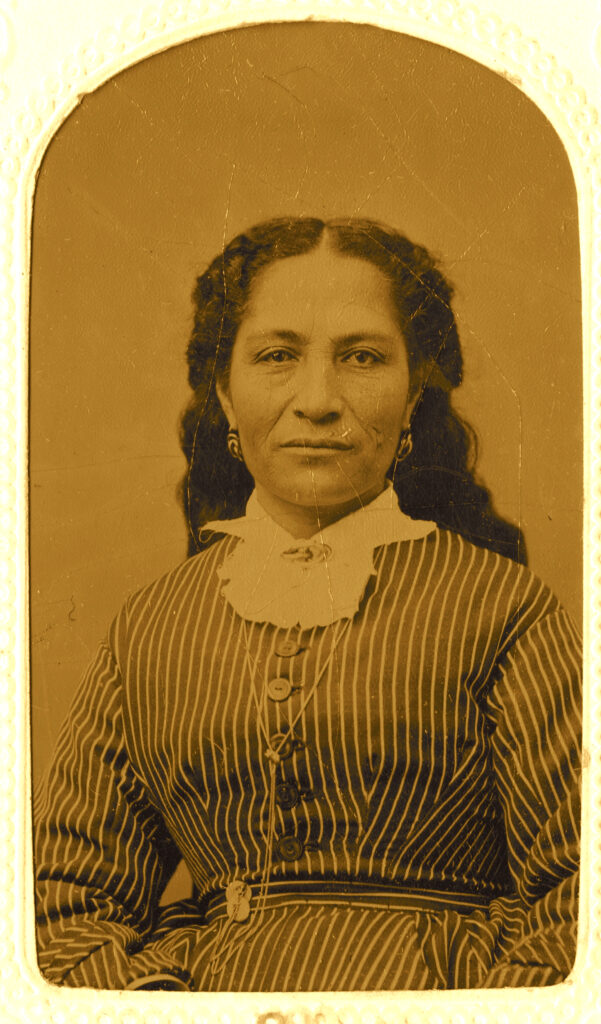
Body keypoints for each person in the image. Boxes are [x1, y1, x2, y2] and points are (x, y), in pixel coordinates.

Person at [34, 217, 581, 992]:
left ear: (414, 389)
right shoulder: (152, 627)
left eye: (361, 358)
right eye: (276, 356)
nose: (317, 401)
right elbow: (63, 911)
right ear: (224, 388)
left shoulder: (503, 608)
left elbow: (578, 896)